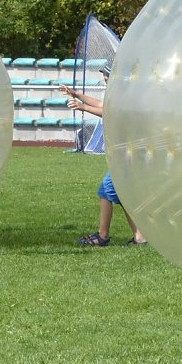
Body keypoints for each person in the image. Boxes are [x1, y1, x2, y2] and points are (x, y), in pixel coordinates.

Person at [61, 65, 147, 247]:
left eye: (107, 75)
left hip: (126, 155)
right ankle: (140, 237)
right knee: (123, 195)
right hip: (126, 155)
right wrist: (76, 94)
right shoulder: (119, 95)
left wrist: (82, 107)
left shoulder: (124, 97)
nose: (105, 78)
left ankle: (102, 236)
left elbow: (108, 112)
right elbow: (101, 104)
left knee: (104, 191)